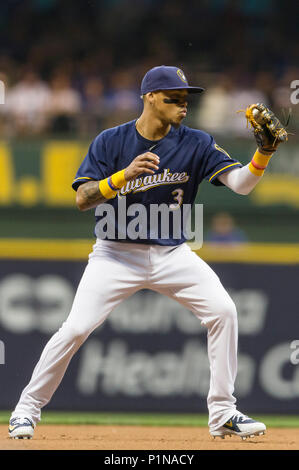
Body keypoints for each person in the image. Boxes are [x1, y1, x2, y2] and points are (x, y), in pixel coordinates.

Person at [10, 65, 279, 441]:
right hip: (115, 255)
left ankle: (223, 412)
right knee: (74, 329)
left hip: (173, 254)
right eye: (173, 98)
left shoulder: (197, 142)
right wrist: (123, 176)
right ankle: (25, 410)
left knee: (224, 311)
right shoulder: (111, 141)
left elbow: (241, 185)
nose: (183, 105)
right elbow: (82, 198)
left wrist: (262, 154)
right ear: (149, 97)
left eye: (186, 99)